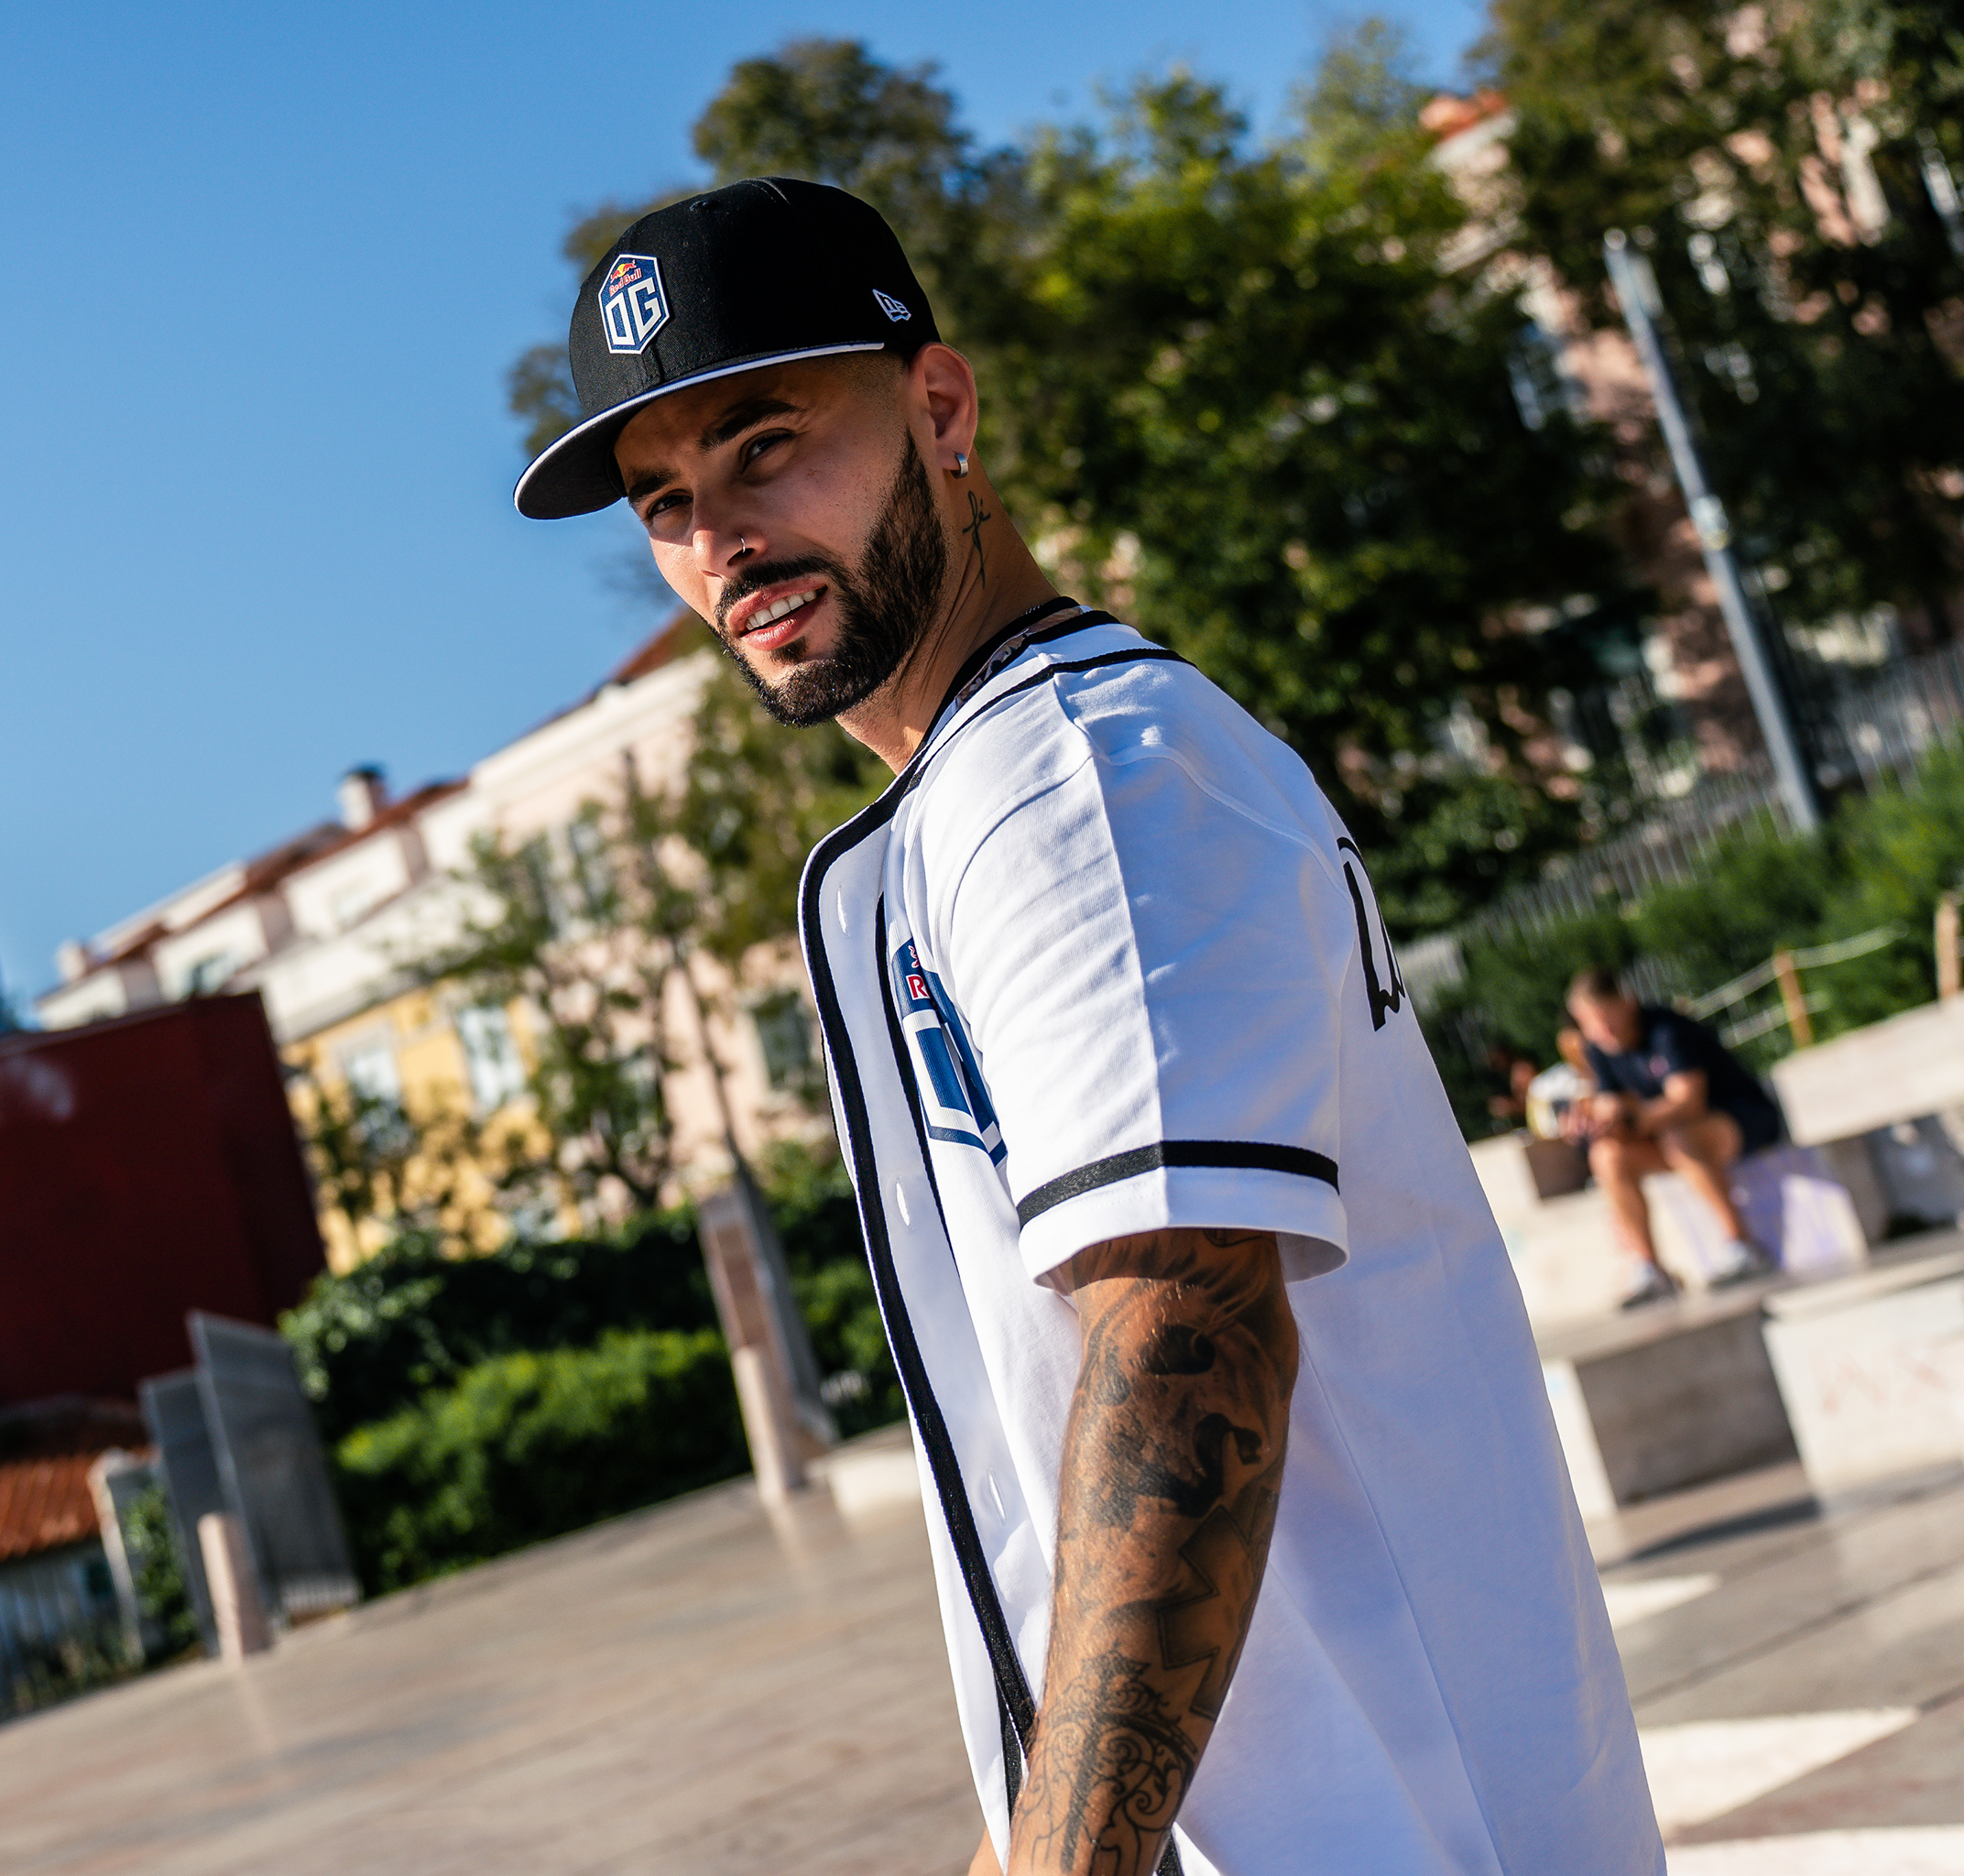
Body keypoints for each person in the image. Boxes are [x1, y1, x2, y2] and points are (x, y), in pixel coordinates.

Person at [514, 178, 1661, 1876]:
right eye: (665, 500)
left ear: (940, 408)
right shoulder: (1001, 791)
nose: (721, 541)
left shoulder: (1074, 782)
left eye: (766, 446)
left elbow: (1180, 1352)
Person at [1565, 967, 1783, 1306]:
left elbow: (1687, 1102)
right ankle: (1650, 1268)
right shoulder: (1599, 1049)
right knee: (1607, 1155)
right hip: (1677, 1135)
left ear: (1627, 1003)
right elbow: (1612, 1107)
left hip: (1741, 1118)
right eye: (1589, 1023)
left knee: (1680, 1139)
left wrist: (1630, 1121)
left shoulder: (1667, 1029)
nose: (1601, 1030)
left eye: (1606, 1018)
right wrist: (1592, 1125)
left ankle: (1743, 1246)